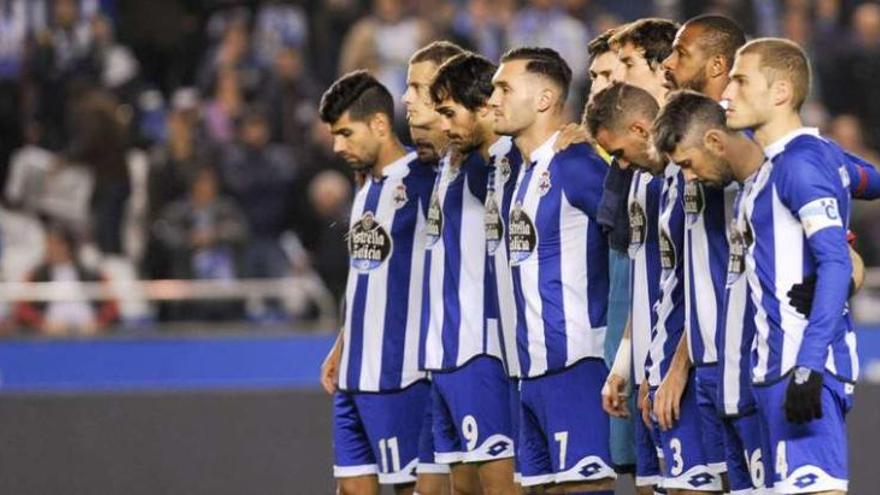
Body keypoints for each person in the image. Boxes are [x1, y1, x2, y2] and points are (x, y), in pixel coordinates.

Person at [721, 37, 858, 495]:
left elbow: (835, 262)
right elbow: (867, 179)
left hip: (802, 368)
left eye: (741, 80)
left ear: (781, 92)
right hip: (768, 371)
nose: (727, 92)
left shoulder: (799, 165)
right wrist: (838, 162)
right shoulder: (781, 165)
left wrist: (809, 367)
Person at [488, 46, 614, 494]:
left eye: (504, 87)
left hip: (578, 364)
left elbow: (634, 241)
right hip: (531, 371)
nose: (493, 99)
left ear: (544, 99)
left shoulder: (577, 164)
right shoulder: (525, 173)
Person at [587, 82, 723, 494]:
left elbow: (699, 283)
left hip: (695, 371)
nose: (620, 164)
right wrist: (633, 364)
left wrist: (676, 368)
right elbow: (655, 287)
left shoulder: (697, 178)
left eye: (620, 153)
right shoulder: (646, 183)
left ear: (642, 130)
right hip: (657, 369)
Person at [317, 70, 436, 495]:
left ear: (380, 125)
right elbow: (367, 275)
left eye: (346, 133)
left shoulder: (426, 181)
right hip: (354, 372)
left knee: (408, 487)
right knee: (351, 489)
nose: (338, 146)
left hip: (398, 374)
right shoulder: (366, 184)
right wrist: (343, 342)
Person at [660, 14, 754, 493]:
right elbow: (693, 271)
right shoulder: (689, 147)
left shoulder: (756, 144)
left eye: (681, 53)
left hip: (749, 360)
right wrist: (680, 360)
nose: (669, 64)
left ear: (717, 63)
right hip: (704, 358)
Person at [424, 53, 517, 494]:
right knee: (462, 488)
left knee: (501, 486)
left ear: (483, 107)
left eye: (448, 112)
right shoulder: (452, 159)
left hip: (481, 349)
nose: (441, 125)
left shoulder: (498, 162)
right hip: (444, 353)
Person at [400, 40, 466, 495]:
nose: (406, 99)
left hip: (483, 358)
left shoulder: (491, 164)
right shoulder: (430, 172)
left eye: (417, 88)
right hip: (437, 359)